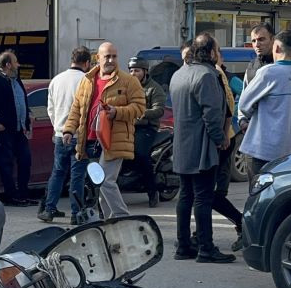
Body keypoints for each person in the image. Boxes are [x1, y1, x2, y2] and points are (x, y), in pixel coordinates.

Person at [168, 34, 236, 264]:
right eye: (217, 49)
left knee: (185, 196)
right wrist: (221, 139)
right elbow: (212, 115)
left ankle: (184, 245)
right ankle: (206, 248)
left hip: (182, 145)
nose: (219, 53)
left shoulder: (179, 74)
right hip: (202, 147)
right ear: (210, 52)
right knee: (203, 199)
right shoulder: (207, 75)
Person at [63, 42, 146, 220]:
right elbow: (77, 108)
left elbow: (139, 108)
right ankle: (109, 222)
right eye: (107, 56)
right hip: (91, 140)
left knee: (106, 180)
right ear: (97, 58)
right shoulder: (87, 81)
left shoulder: (128, 81)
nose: (110, 60)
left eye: (114, 56)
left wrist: (117, 112)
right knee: (99, 182)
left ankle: (122, 217)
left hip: (115, 139)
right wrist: (69, 130)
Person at [237, 30, 291, 181]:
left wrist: (247, 116)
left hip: (261, 148)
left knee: (257, 195)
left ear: (276, 48)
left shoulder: (268, 72)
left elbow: (243, 104)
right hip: (286, 148)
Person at [38, 46, 91, 223]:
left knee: (58, 172)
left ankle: (49, 209)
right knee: (77, 175)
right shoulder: (86, 80)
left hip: (60, 133)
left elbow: (50, 108)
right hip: (79, 134)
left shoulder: (56, 80)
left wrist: (57, 127)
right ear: (87, 63)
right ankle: (76, 214)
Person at [0, 49, 35, 207]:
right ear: (8, 64)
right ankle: (11, 196)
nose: (18, 64)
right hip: (2, 130)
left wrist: (27, 118)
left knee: (25, 160)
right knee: (6, 163)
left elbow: (22, 101)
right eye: (16, 62)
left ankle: (23, 193)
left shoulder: (17, 80)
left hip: (18, 129)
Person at [209, 46, 244, 251]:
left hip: (224, 141)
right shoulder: (207, 76)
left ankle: (242, 223)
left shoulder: (227, 78)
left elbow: (243, 97)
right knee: (208, 195)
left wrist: (236, 120)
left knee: (213, 194)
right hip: (215, 141)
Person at [128, 56, 165, 208]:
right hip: (129, 125)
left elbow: (159, 109)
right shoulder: (126, 87)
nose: (133, 73)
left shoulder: (154, 88)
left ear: (145, 71)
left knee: (141, 154)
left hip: (147, 127)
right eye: (130, 70)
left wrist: (142, 113)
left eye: (136, 70)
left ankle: (152, 191)